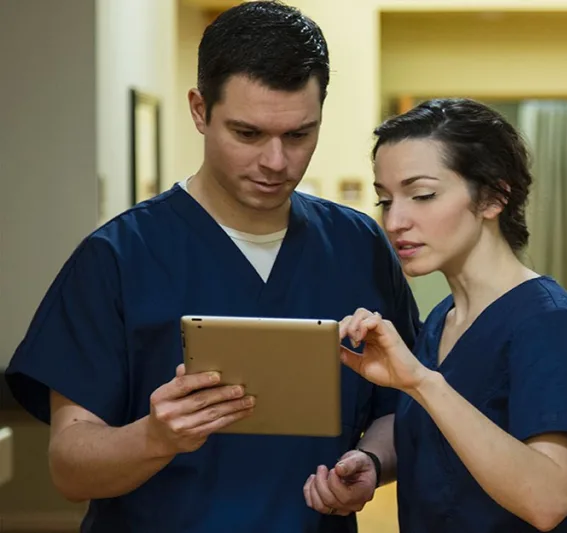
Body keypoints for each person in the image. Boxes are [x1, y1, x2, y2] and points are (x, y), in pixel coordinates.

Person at [3, 2, 419, 532]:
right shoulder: (118, 257)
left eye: (298, 135)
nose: (276, 161)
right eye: (247, 134)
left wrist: (373, 462)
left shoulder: (358, 246)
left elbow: (399, 406)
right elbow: (69, 468)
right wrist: (156, 437)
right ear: (200, 110)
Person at [303, 98, 567, 532]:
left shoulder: (551, 325)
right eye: (385, 201)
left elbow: (546, 499)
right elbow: (438, 445)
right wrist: (373, 463)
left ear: (493, 197)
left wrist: (421, 382)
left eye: (422, 195)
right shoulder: (441, 320)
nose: (395, 221)